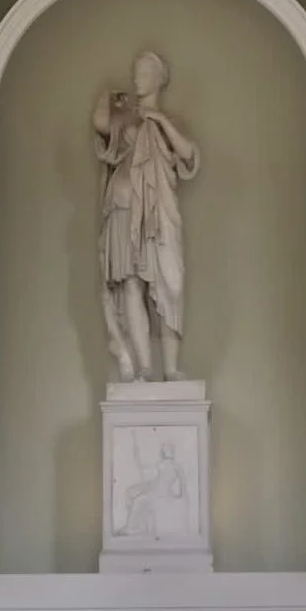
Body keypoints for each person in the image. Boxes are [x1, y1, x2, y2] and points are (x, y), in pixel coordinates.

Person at [91, 50, 199, 382]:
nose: (136, 77)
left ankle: (170, 369)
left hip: (159, 214)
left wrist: (160, 120)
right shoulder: (125, 119)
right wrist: (106, 97)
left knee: (171, 285)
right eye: (135, 71)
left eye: (142, 72)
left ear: (156, 78)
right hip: (123, 209)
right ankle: (144, 369)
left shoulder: (168, 122)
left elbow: (188, 154)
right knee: (131, 285)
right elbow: (100, 123)